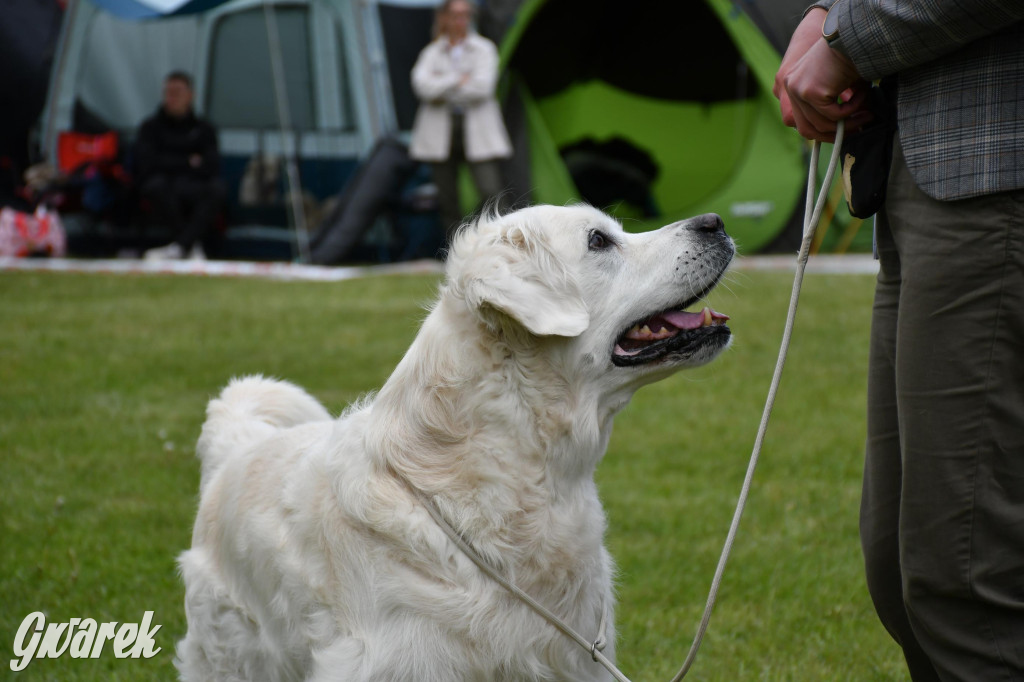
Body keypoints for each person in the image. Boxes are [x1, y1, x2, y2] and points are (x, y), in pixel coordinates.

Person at [774, 2, 1024, 680]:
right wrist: (829, 11)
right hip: (921, 179)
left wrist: (845, 39)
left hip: (997, 175)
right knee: (900, 567)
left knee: (967, 581)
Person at [409, 0, 512, 246]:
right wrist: (458, 79)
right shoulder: (432, 52)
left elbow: (482, 87)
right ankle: (456, 248)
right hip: (441, 133)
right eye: (455, 15)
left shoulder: (484, 48)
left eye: (466, 14)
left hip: (478, 130)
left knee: (491, 191)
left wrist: (441, 84)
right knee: (446, 196)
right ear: (444, 17)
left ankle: (501, 244)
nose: (461, 20)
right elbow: (421, 87)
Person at [135, 71, 224, 260]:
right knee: (155, 186)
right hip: (164, 185)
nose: (172, 98)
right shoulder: (150, 127)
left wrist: (169, 160)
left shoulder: (204, 129)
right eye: (168, 92)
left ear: (190, 96)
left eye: (178, 92)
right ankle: (189, 246)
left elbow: (211, 166)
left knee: (217, 189)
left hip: (193, 185)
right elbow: (147, 164)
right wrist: (187, 161)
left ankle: (181, 246)